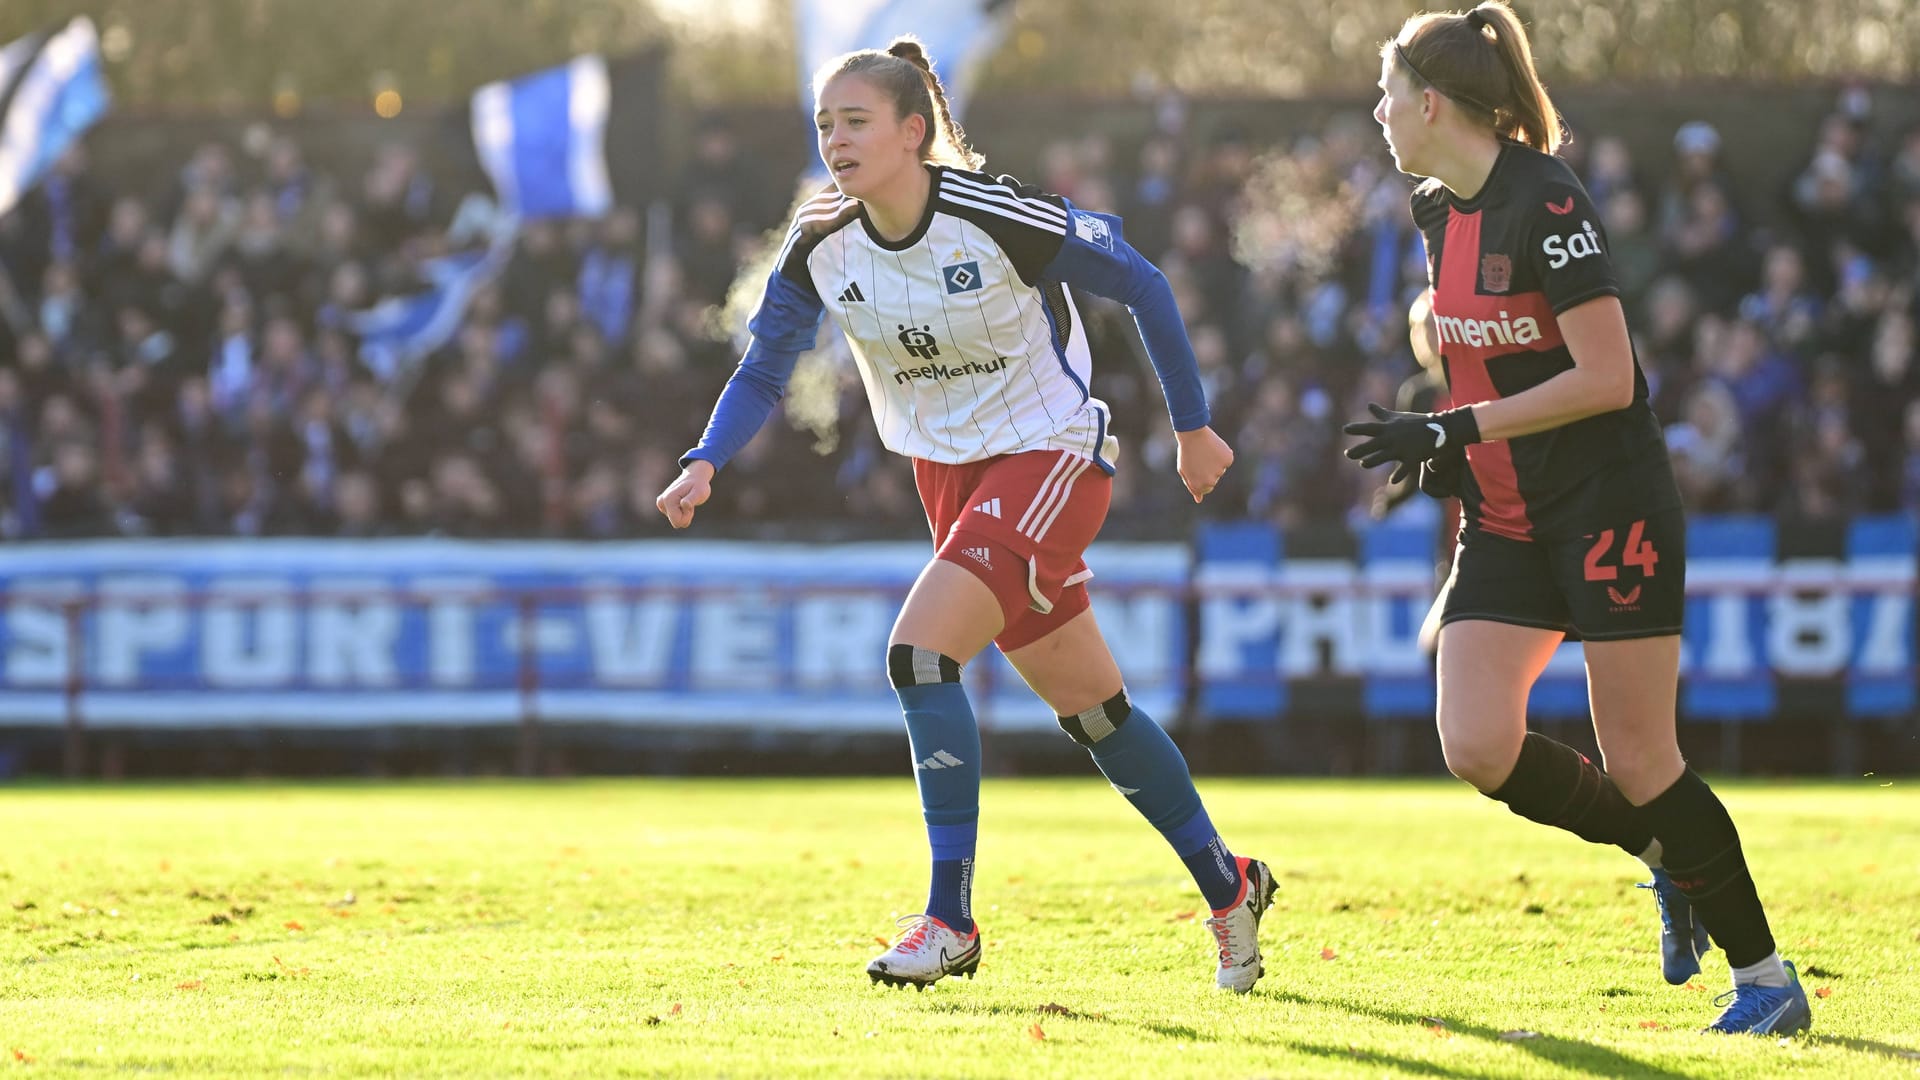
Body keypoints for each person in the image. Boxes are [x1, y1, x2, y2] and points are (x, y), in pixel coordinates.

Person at [655, 37, 1274, 993]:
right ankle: (1231, 886)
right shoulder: (820, 241)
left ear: (915, 132)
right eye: (824, 125)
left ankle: (950, 920)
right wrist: (703, 459)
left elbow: (1144, 282)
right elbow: (766, 366)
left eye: (854, 121)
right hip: (951, 483)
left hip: (1052, 454)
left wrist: (1193, 429)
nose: (834, 140)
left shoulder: (992, 211)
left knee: (917, 654)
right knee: (1096, 714)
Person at [1343, 2, 1811, 1036]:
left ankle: (1770, 981)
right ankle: (1666, 862)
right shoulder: (1434, 206)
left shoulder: (1548, 203)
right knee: (1474, 743)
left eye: (1385, 95)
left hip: (1609, 507)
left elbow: (1608, 378)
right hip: (1510, 517)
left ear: (1429, 104)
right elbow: (1478, 348)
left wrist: (1456, 426)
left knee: (1643, 759)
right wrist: (1450, 447)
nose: (1376, 114)